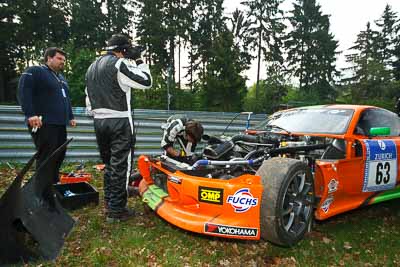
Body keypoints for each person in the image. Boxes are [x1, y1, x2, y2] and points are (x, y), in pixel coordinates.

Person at [85, 33, 152, 223]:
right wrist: (138, 59)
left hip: (99, 121)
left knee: (109, 165)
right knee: (121, 166)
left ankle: (109, 202)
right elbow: (146, 81)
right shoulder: (118, 64)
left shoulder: (91, 68)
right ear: (123, 50)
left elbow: (88, 100)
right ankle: (117, 210)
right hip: (119, 120)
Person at [18, 47, 76, 183]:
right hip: (43, 122)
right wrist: (30, 114)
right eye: (59, 58)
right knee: (47, 156)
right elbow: (24, 91)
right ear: (49, 58)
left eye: (64, 60)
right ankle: (41, 191)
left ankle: (53, 185)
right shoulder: (35, 71)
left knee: (59, 155)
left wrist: (70, 116)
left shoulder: (60, 78)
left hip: (60, 123)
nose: (63, 62)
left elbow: (66, 98)